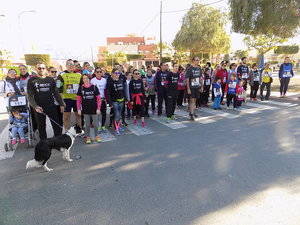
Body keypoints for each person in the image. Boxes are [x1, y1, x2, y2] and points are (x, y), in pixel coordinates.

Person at [27, 64, 65, 140]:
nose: (41, 69)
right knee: (41, 127)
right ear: (36, 69)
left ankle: (58, 142)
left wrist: (61, 104)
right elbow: (30, 96)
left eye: (43, 68)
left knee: (56, 125)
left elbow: (56, 93)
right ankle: (44, 144)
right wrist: (35, 106)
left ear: (46, 69)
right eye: (39, 68)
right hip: (39, 107)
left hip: (51, 105)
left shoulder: (50, 80)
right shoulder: (31, 80)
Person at [56, 59, 82, 134]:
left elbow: (82, 86)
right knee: (66, 116)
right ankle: (67, 132)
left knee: (78, 115)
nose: (71, 66)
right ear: (66, 66)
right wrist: (61, 102)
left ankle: (79, 130)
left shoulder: (79, 75)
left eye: (72, 64)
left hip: (77, 99)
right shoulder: (61, 75)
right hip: (66, 99)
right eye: (69, 64)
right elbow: (58, 88)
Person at [77, 74, 101, 144]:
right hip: (85, 109)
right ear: (82, 80)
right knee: (87, 124)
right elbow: (78, 100)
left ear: (89, 79)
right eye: (84, 78)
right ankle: (88, 137)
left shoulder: (94, 87)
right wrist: (78, 109)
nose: (85, 80)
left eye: (87, 78)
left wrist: (98, 108)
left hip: (94, 109)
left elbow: (99, 99)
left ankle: (97, 136)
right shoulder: (81, 88)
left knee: (96, 124)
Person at [106, 68, 127, 135]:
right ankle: (116, 129)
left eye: (118, 73)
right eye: (116, 73)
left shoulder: (121, 80)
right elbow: (108, 93)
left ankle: (117, 126)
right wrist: (109, 102)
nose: (117, 74)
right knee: (117, 115)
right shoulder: (109, 82)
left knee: (119, 114)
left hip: (121, 100)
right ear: (112, 74)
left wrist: (125, 99)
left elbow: (123, 91)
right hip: (114, 101)